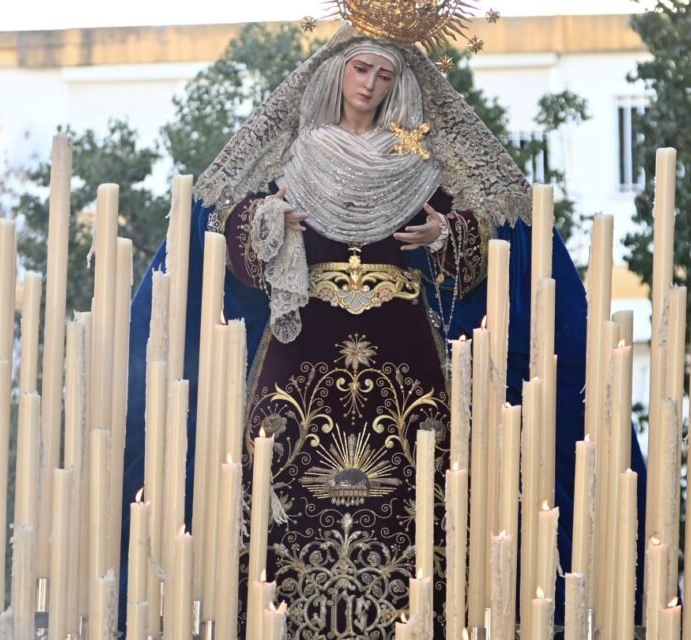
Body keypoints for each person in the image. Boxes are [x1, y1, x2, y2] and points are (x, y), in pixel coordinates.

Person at [122, 21, 647, 639]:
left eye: (384, 74)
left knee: (421, 495)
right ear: (336, 72)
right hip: (298, 354)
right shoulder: (296, 151)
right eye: (361, 69)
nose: (369, 84)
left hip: (407, 355)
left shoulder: (418, 157)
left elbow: (483, 240)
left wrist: (445, 237)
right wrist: (268, 220)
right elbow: (230, 227)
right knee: (276, 486)